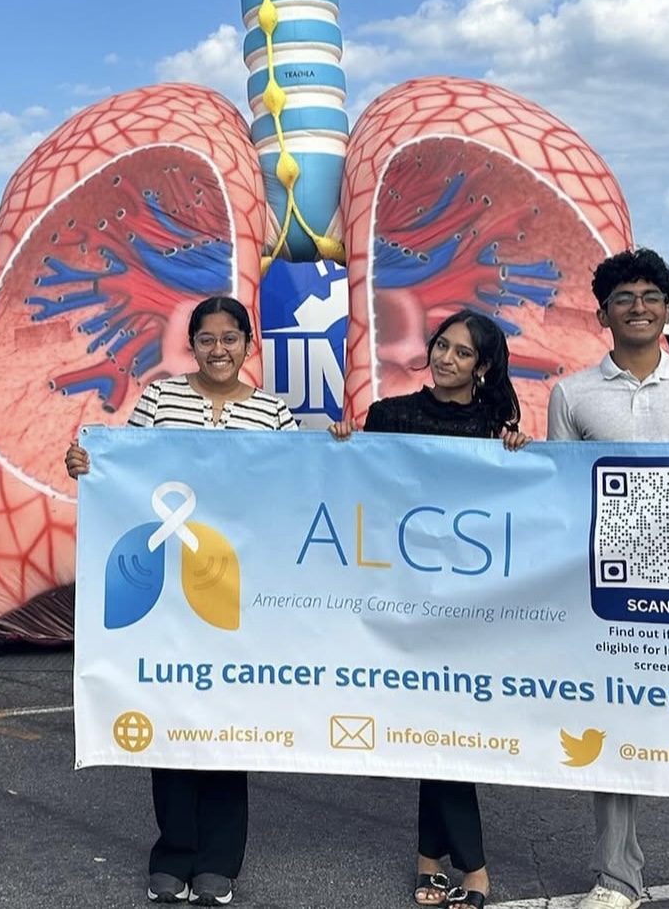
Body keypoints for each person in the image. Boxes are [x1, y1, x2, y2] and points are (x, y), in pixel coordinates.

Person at [64, 295, 296, 908]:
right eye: (207, 339)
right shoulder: (161, 400)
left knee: (226, 722)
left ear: (249, 345)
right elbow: (124, 472)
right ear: (191, 346)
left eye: (230, 338)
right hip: (165, 595)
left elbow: (300, 489)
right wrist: (88, 465)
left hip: (237, 595)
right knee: (169, 717)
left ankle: (218, 862)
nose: (219, 349)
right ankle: (173, 855)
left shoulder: (274, 414)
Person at [547, 248, 669, 909]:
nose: (638, 307)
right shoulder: (572, 394)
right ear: (603, 314)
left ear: (668, 311)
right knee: (613, 724)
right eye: (623, 297)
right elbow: (562, 493)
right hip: (610, 589)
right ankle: (616, 877)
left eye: (651, 296)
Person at [329, 308, 531, 909]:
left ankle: (432, 863)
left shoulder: (496, 428)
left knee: (449, 730)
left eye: (462, 352)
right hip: (404, 600)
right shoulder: (388, 416)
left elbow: (512, 505)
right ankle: (471, 867)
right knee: (436, 728)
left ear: (483, 366)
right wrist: (343, 449)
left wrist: (519, 454)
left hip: (471, 605)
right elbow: (362, 493)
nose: (446, 358)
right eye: (442, 345)